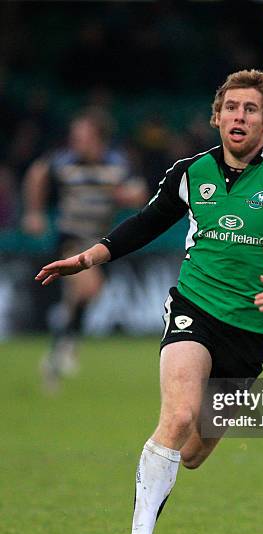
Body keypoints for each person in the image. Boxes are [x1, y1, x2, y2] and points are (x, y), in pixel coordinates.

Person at [35, 70, 263, 534]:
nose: (238, 117)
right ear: (217, 116)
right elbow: (144, 225)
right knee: (177, 418)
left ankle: (157, 496)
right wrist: (87, 258)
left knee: (196, 452)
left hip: (249, 335)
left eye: (250, 110)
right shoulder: (189, 172)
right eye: (231, 108)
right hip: (193, 309)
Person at [23, 106, 148, 389]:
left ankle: (56, 358)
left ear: (99, 139)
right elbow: (36, 174)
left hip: (100, 243)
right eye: (74, 137)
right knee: (89, 288)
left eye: (82, 137)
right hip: (71, 238)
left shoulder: (117, 163)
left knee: (79, 299)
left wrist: (126, 195)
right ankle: (65, 347)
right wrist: (34, 212)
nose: (76, 142)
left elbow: (140, 193)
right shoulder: (64, 161)